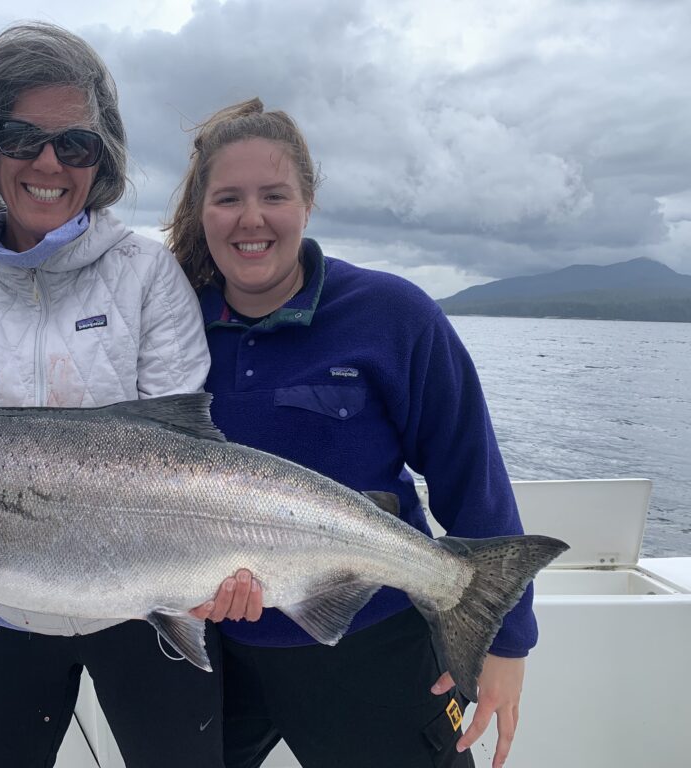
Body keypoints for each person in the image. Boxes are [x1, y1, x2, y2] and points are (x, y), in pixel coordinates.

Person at [0, 22, 230, 767]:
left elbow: (181, 449)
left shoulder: (147, 274)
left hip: (148, 612)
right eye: (23, 138)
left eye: (75, 144)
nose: (49, 163)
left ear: (101, 158)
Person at [168, 99, 531, 768]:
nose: (251, 217)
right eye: (228, 198)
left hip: (374, 645)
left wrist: (507, 642)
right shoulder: (167, 321)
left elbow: (469, 472)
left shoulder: (392, 315)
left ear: (307, 202)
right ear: (201, 213)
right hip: (216, 654)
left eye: (273, 195)